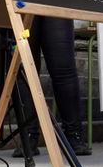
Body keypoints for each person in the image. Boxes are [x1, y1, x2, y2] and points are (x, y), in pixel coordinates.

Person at [13, 17, 92, 156]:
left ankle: (73, 134)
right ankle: (28, 136)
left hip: (55, 0)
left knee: (64, 67)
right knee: (24, 70)